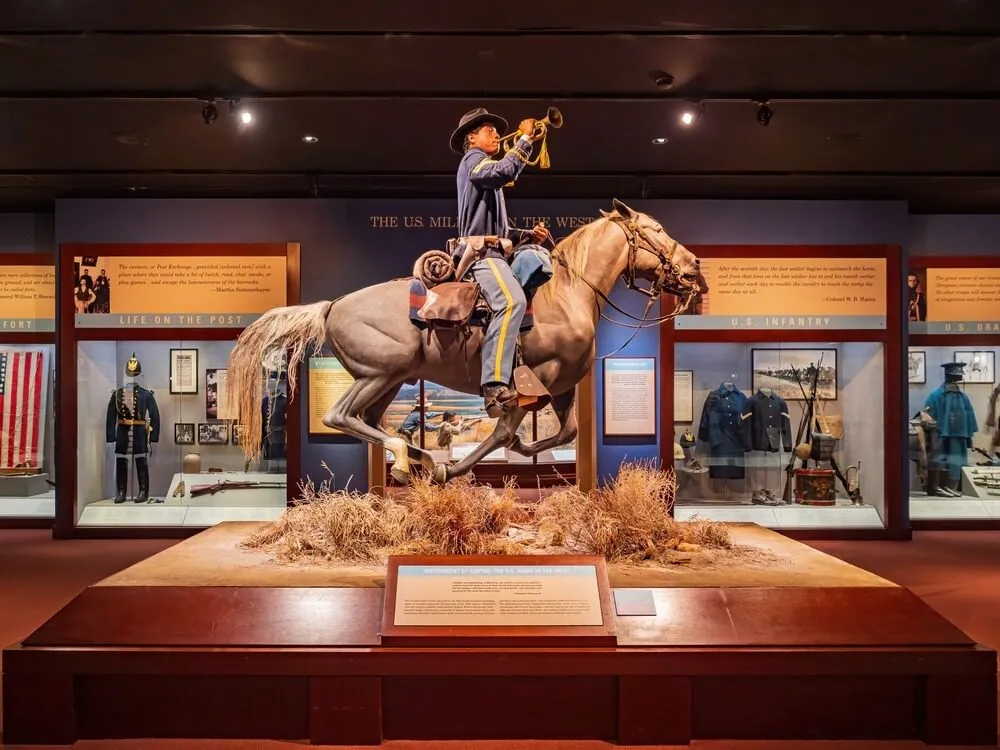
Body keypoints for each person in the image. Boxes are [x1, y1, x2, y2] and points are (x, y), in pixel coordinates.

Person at [449, 107, 554, 417]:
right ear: (472, 138)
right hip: (482, 257)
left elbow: (502, 232)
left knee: (536, 271)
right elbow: (503, 172)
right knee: (511, 303)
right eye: (488, 130)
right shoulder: (472, 161)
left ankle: (514, 369)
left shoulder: (483, 168)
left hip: (496, 252)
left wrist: (527, 234)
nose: (496, 133)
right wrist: (523, 139)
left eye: (497, 130)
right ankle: (495, 388)